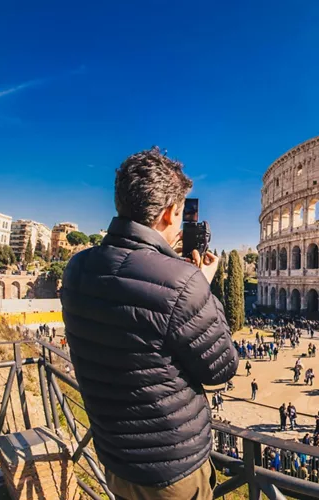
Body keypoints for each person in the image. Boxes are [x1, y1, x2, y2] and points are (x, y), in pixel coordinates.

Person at [61, 147, 238, 500]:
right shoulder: (183, 281)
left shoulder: (77, 268)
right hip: (172, 468)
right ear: (169, 213)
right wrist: (202, 283)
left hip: (115, 456)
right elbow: (221, 369)